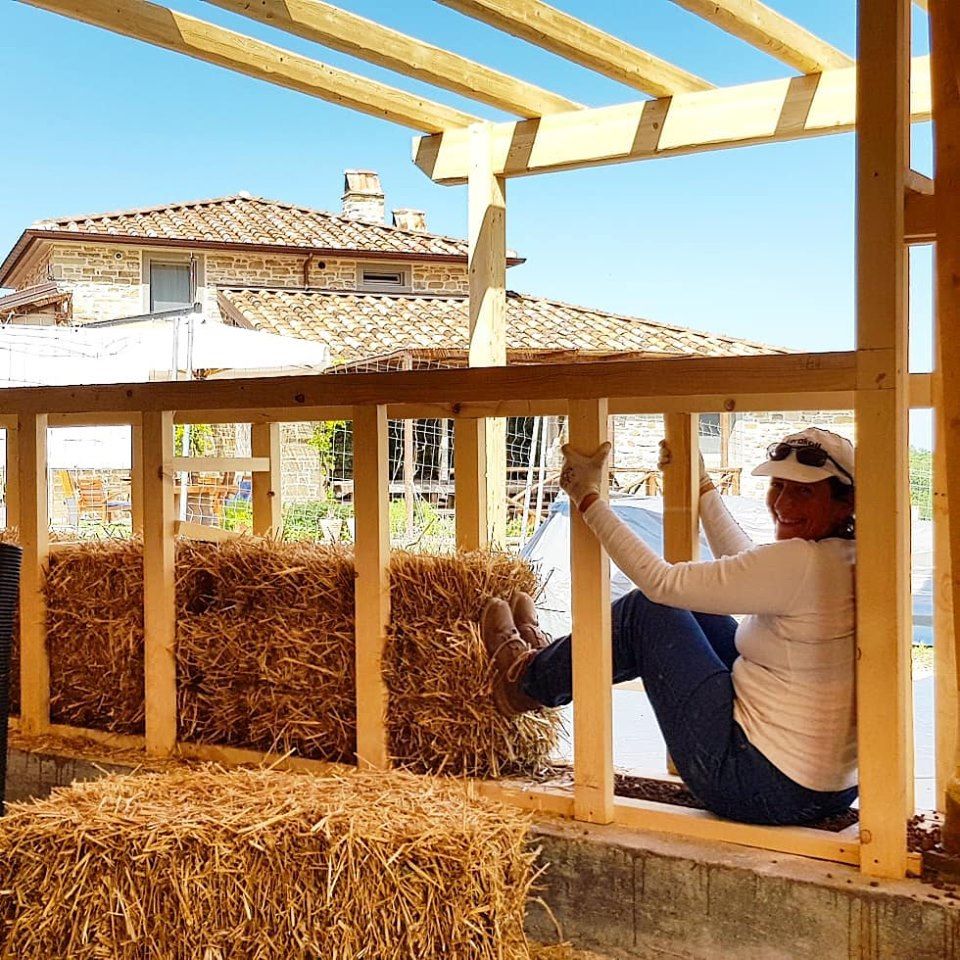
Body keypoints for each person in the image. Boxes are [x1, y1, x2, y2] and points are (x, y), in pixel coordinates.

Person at [482, 428, 858, 826]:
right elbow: (747, 563)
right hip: (826, 791)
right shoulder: (844, 556)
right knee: (694, 606)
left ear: (845, 504)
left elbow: (661, 583)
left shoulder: (803, 563)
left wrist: (587, 496)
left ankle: (525, 680)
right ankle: (552, 660)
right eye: (778, 486)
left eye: (804, 492)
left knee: (647, 609)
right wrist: (702, 484)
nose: (782, 503)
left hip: (754, 784)